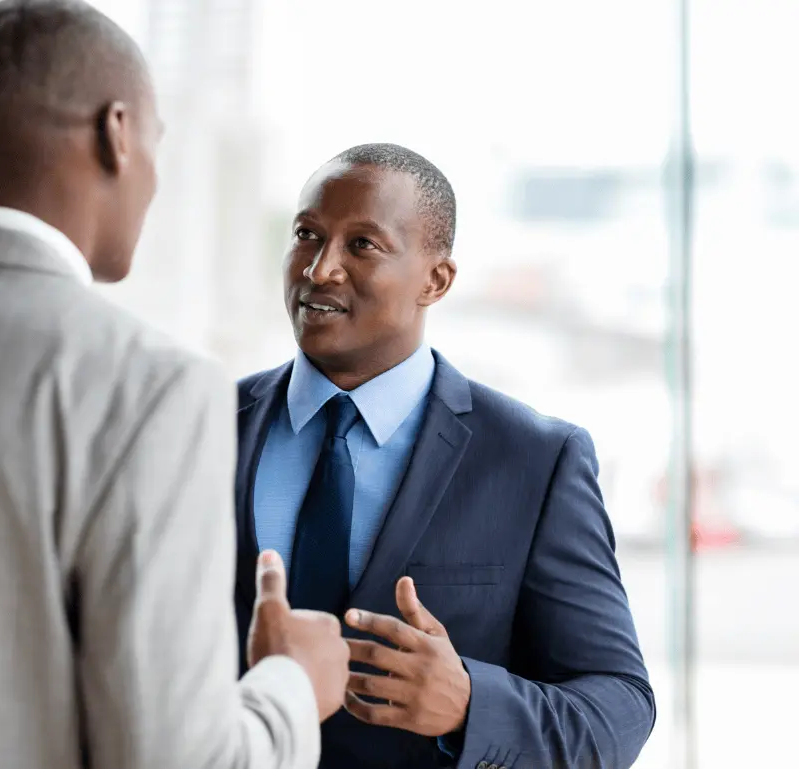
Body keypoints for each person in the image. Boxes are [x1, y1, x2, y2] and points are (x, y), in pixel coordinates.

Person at [0, 1, 349, 767]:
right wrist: (291, 686)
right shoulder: (152, 389)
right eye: (155, 141)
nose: (154, 179)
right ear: (116, 133)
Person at [233, 143, 656, 768]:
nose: (320, 269)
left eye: (362, 245)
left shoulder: (536, 459)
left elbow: (619, 710)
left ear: (436, 279)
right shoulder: (204, 426)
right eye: (307, 235)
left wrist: (469, 703)